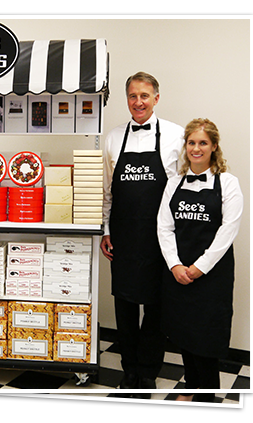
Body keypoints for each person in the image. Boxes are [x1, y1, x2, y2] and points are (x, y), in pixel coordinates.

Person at [101, 72, 185, 397]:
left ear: (156, 99)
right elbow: (108, 192)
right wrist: (106, 229)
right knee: (124, 306)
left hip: (159, 238)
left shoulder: (176, 135)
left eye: (144, 96)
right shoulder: (112, 137)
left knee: (155, 307)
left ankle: (148, 372)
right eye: (133, 96)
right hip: (123, 235)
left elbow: (181, 189)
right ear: (127, 98)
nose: (138, 102)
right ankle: (130, 370)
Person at [157, 118, 243, 402]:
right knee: (184, 333)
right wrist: (175, 265)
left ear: (214, 146)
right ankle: (192, 387)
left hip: (211, 275)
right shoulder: (174, 183)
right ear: (185, 146)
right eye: (191, 142)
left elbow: (228, 231)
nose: (196, 148)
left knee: (206, 337)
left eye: (203, 143)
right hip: (179, 272)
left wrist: (198, 268)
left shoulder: (228, 183)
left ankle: (205, 398)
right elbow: (164, 227)